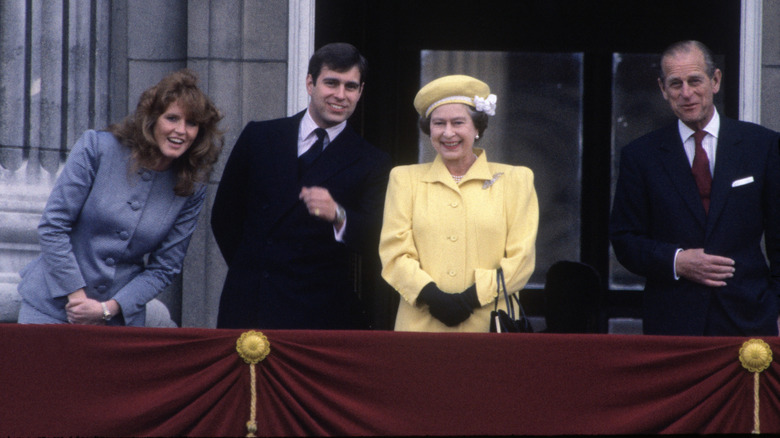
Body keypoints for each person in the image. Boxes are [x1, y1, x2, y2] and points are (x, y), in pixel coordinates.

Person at [17, 69, 224, 326]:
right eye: (172, 118)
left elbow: (165, 268)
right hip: (50, 307)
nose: (181, 130)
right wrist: (77, 298)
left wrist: (108, 309)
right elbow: (53, 226)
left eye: (192, 123)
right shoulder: (97, 148)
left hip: (118, 320)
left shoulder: (191, 187)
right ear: (152, 119)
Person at [212, 42, 392, 330]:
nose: (340, 95)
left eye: (350, 86)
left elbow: (378, 238)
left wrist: (338, 214)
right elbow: (224, 217)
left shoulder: (372, 161)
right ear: (310, 83)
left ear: (360, 92)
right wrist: (255, 270)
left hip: (320, 310)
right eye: (331, 83)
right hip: (251, 302)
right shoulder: (259, 137)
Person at [610, 40, 780, 336]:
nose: (686, 93)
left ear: (715, 81)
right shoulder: (641, 156)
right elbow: (625, 239)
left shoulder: (761, 146)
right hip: (673, 323)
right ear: (663, 89)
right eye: (676, 84)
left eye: (695, 81)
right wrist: (677, 261)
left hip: (751, 316)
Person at [379, 75, 539, 332]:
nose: (448, 132)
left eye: (458, 122)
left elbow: (521, 260)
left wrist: (472, 298)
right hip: (420, 327)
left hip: (490, 326)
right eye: (439, 123)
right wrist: (432, 296)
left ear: (477, 128)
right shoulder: (404, 179)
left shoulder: (516, 180)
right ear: (429, 129)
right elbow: (393, 253)